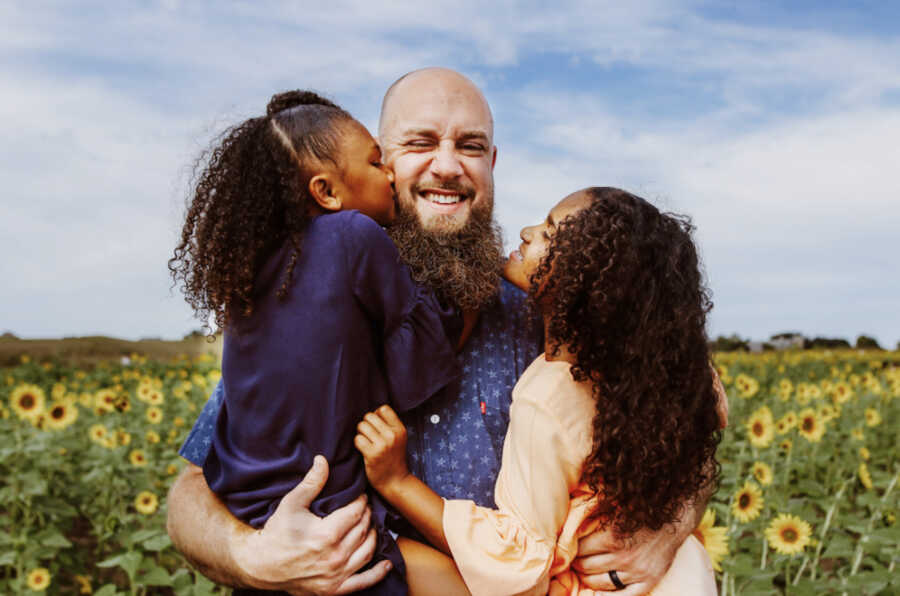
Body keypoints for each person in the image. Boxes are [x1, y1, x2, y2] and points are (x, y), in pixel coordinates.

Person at [167, 68, 716, 595]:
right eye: (419, 143)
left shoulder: (552, 314)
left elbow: (686, 399)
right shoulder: (306, 310)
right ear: (382, 164)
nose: (448, 166)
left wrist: (669, 522)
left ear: (493, 163)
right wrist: (255, 556)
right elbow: (190, 494)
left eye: (471, 146)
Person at [357, 187, 726, 595]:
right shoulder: (654, 368)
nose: (527, 232)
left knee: (384, 553)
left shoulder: (547, 398)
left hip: (589, 584)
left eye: (550, 233)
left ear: (587, 283)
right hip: (675, 580)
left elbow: (522, 563)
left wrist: (397, 482)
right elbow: (712, 406)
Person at [168, 90, 464, 595]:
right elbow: (420, 377)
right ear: (327, 193)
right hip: (335, 532)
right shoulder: (353, 235)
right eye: (376, 162)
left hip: (265, 525)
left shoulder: (251, 277)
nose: (390, 174)